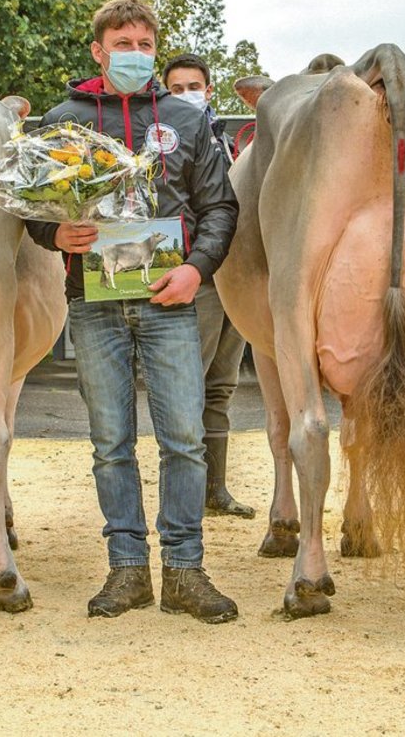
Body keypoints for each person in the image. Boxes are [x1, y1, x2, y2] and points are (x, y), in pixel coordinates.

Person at [25, 0, 241, 623]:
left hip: (170, 300)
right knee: (110, 442)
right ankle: (125, 570)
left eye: (145, 45)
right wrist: (53, 236)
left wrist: (197, 268)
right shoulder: (63, 120)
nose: (135, 55)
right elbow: (31, 209)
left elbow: (220, 206)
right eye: (123, 44)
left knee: (185, 439)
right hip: (92, 304)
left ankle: (184, 570)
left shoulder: (184, 118)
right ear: (98, 50)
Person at [160, 52, 253, 519]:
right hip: (195, 277)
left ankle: (216, 489)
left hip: (233, 278)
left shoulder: (226, 143)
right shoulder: (166, 145)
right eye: (176, 90)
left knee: (221, 386)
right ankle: (185, 494)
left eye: (193, 87)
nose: (186, 96)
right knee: (187, 388)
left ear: (208, 90)